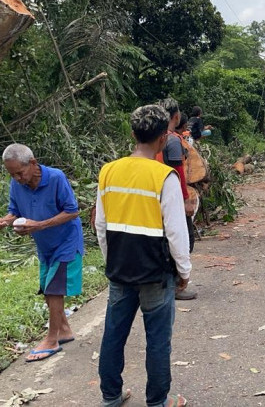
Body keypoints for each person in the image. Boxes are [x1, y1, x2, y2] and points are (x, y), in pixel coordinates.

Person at [95, 104, 190, 407]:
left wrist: (112, 259)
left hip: (120, 270)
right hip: (155, 274)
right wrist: (184, 272)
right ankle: (157, 402)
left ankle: (111, 397)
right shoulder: (165, 177)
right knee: (158, 342)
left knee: (113, 336)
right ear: (164, 138)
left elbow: (100, 225)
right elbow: (176, 232)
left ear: (133, 134)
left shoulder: (108, 171)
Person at [0, 144, 84, 363]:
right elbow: (15, 211)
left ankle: (52, 339)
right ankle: (64, 330)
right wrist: (6, 221)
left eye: (20, 172)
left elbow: (72, 211)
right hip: (44, 245)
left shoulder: (56, 178)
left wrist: (39, 225)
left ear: (34, 163)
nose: (17, 178)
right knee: (46, 289)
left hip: (66, 240)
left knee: (54, 289)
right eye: (12, 174)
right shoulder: (16, 184)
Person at [158, 98, 197, 300]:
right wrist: (185, 199)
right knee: (184, 238)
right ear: (176, 116)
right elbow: (178, 172)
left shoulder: (157, 137)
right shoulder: (172, 140)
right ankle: (175, 284)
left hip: (157, 193)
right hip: (171, 194)